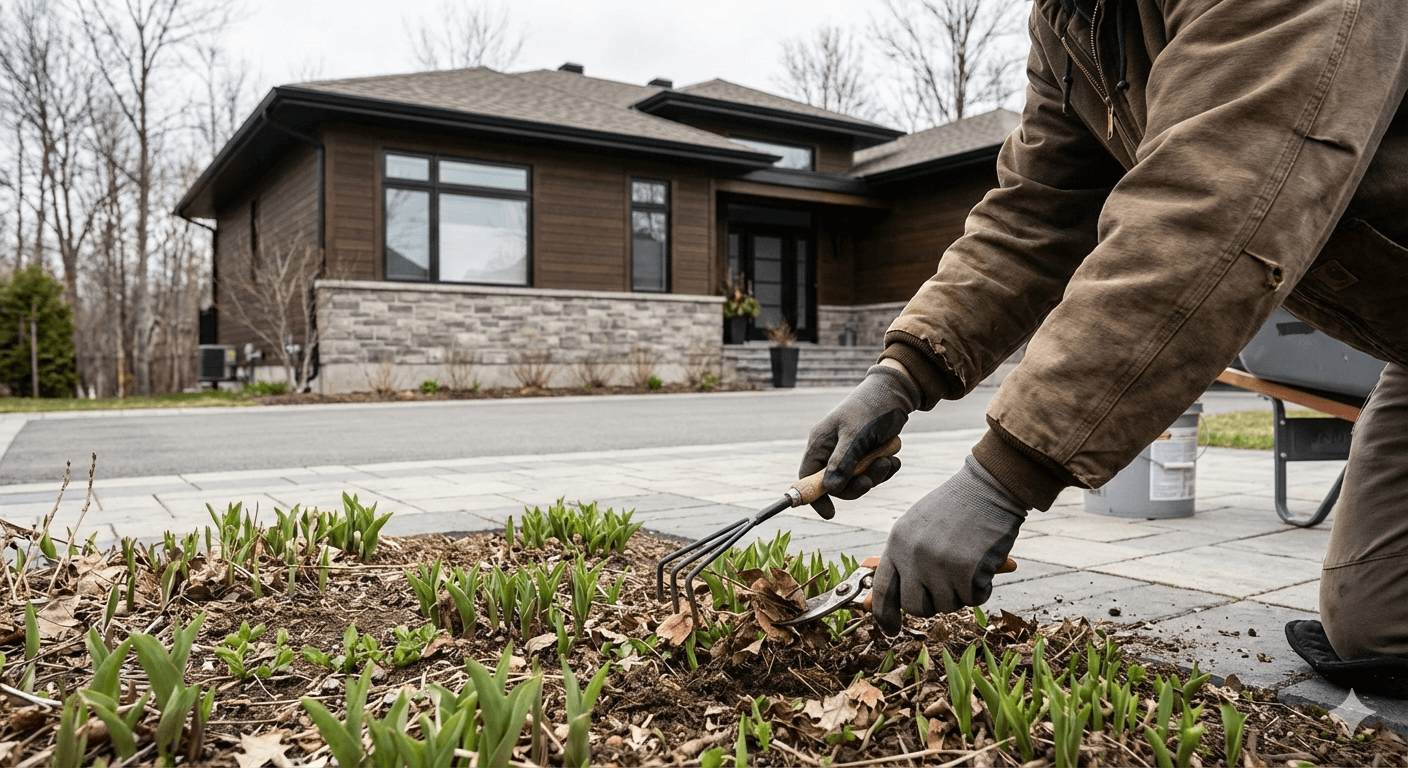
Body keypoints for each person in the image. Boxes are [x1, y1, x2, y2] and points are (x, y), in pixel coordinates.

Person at [800, 0, 1408, 695]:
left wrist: (1000, 480)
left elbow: (1206, 212)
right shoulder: (1075, 22)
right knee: (1380, 634)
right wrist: (900, 375)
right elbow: (1036, 212)